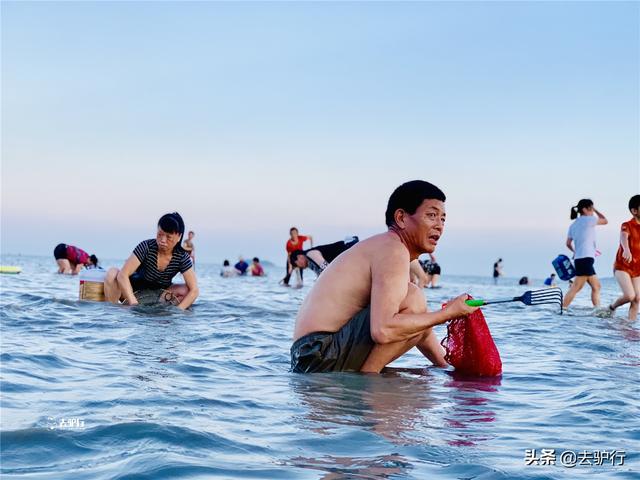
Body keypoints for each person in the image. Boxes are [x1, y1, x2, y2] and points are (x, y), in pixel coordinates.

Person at [290, 180, 479, 373]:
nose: (439, 226)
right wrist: (448, 314)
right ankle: (369, 379)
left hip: (310, 356)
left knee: (415, 313)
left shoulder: (386, 247)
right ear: (401, 218)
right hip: (318, 354)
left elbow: (419, 327)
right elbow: (382, 330)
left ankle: (370, 377)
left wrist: (445, 367)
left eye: (443, 219)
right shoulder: (393, 250)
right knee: (414, 298)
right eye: (431, 215)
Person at [103, 212, 199, 310]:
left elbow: (194, 290)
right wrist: (134, 305)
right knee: (112, 273)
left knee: (186, 290)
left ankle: (161, 311)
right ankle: (113, 312)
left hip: (160, 296)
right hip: (133, 293)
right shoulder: (146, 247)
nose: (162, 240)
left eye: (168, 237)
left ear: (179, 237)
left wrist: (178, 311)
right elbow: (123, 275)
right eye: (160, 234)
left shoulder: (182, 257)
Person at [562, 199, 607, 309]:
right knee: (576, 287)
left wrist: (575, 252)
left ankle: (597, 310)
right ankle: (563, 308)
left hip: (580, 258)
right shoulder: (589, 220)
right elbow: (605, 220)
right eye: (590, 209)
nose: (592, 211)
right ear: (584, 209)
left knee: (596, 286)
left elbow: (568, 243)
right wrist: (596, 210)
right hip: (586, 258)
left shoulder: (573, 225)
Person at [609, 195, 640, 320]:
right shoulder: (627, 224)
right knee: (629, 296)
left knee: (637, 298)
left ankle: (630, 327)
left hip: (637, 269)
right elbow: (623, 236)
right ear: (634, 211)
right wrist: (626, 249)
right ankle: (611, 307)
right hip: (623, 266)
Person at [290, 236, 359, 280]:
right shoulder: (309, 262)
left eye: (297, 264)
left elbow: (326, 267)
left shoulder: (310, 254)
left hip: (349, 246)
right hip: (346, 255)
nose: (299, 267)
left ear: (299, 257)